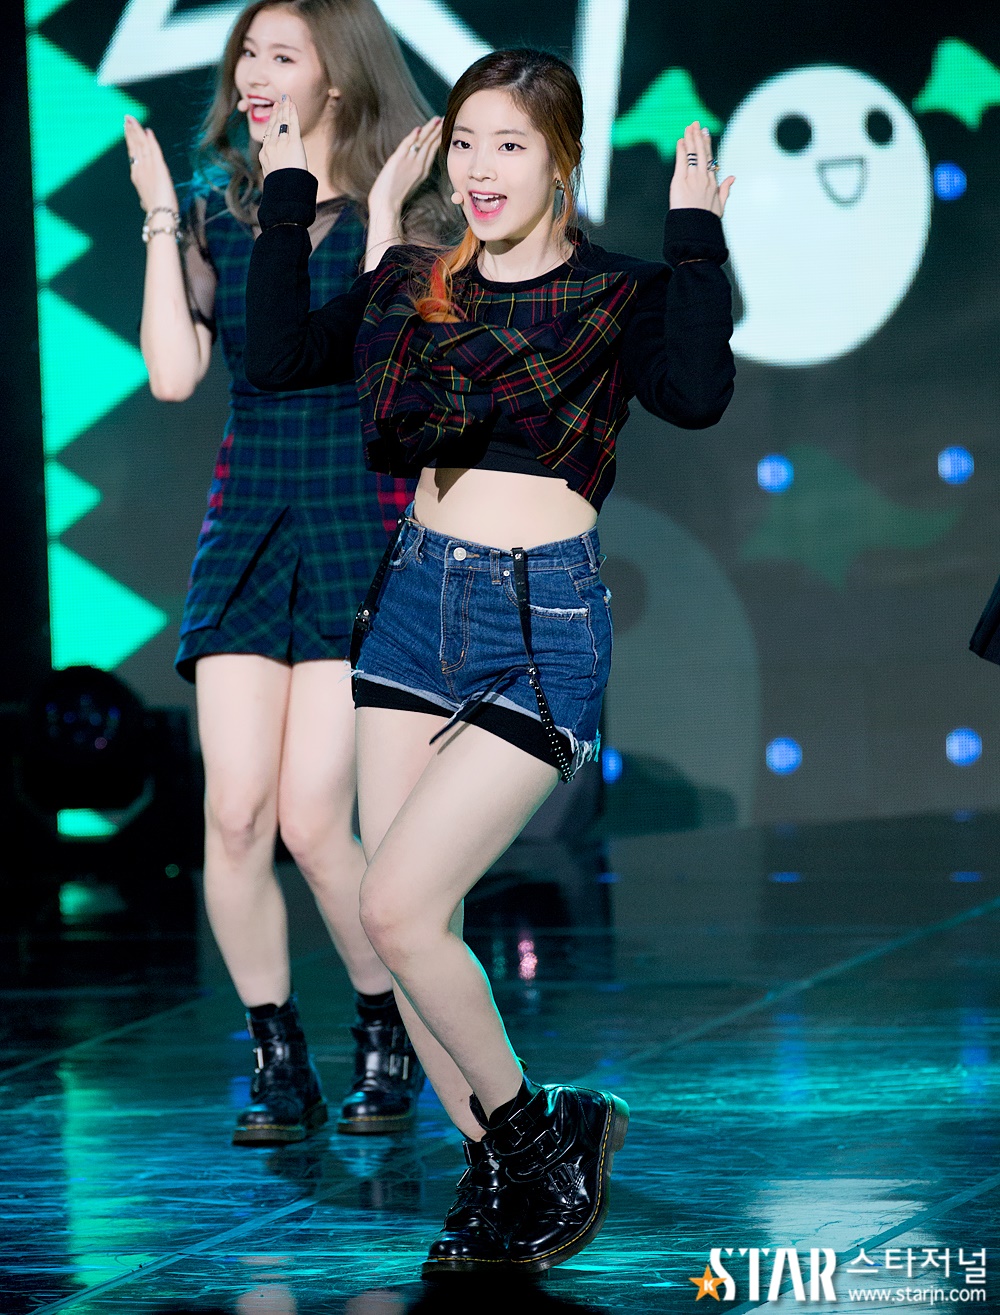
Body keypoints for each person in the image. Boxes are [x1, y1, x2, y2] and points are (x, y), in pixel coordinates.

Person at [244, 47, 735, 1272]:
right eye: (464, 141)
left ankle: (536, 1134)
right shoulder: (415, 280)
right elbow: (279, 358)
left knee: (397, 908)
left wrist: (693, 244)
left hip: (537, 620)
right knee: (414, 920)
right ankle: (494, 1161)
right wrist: (291, 199)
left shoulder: (616, 292)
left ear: (561, 159)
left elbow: (696, 393)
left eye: (508, 144)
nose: (478, 168)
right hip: (413, 603)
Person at [123, 0, 450, 1145]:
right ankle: (275, 1052)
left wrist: (379, 225)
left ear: (338, 78)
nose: (252, 74)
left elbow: (388, 367)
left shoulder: (401, 210)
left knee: (315, 820)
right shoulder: (221, 211)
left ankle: (384, 1021)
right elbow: (175, 374)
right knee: (233, 812)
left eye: (279, 55)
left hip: (358, 514)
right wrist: (161, 217)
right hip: (249, 516)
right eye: (245, 56)